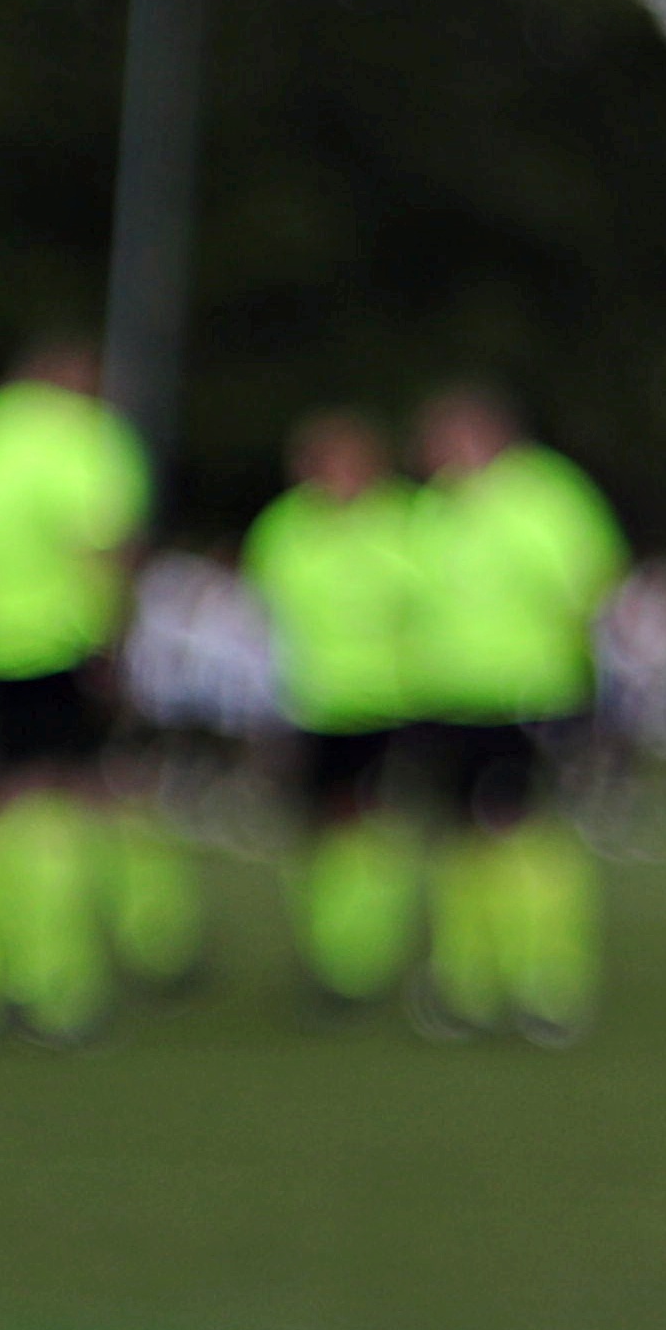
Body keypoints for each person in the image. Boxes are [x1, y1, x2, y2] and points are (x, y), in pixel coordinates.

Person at [0, 338, 166, 1039]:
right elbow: (105, 546)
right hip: (56, 641)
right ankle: (50, 983)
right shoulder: (80, 437)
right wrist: (116, 643)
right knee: (51, 800)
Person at [405, 386, 625, 1040]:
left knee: (523, 834)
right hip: (447, 696)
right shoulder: (435, 508)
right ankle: (466, 983)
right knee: (459, 841)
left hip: (526, 692)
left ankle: (549, 983)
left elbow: (590, 582)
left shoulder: (546, 495)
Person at [245, 411, 429, 1007]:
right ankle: (329, 950)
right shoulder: (283, 530)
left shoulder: (408, 524)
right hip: (310, 703)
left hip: (390, 701)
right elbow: (263, 622)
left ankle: (363, 955)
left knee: (371, 827)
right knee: (321, 834)